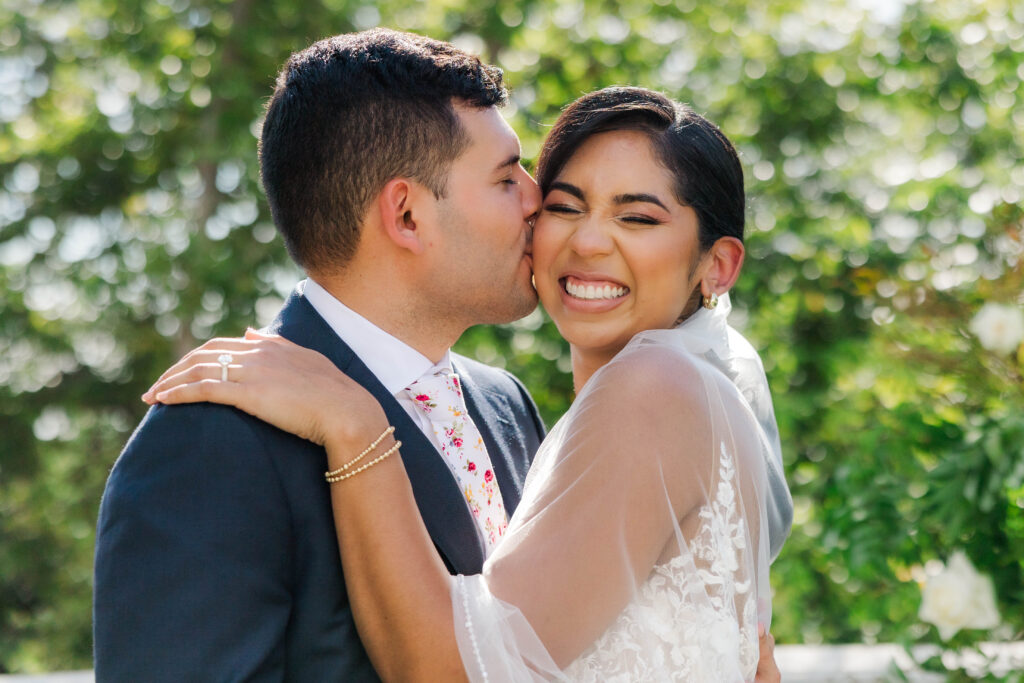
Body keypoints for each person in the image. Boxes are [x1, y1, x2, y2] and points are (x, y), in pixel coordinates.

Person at [146, 86, 793, 681]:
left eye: (638, 219)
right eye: (564, 205)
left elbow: (458, 669)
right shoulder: (212, 439)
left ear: (718, 265)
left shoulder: (655, 387)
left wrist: (356, 422)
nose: (588, 240)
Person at [93, 29, 547, 680]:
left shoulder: (506, 406)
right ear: (407, 214)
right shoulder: (210, 443)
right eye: (508, 178)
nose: (537, 199)